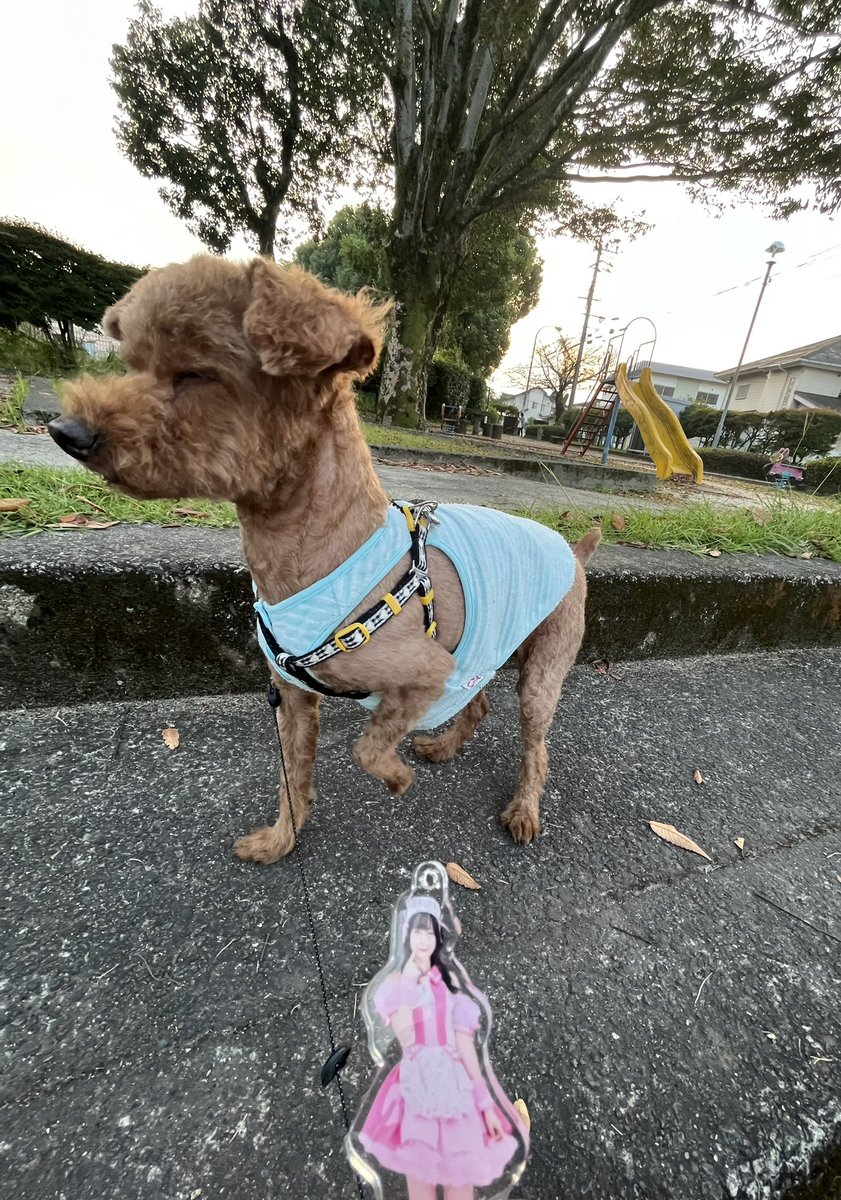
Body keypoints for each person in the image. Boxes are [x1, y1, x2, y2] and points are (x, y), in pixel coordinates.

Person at [359, 897, 519, 1199]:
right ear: (407, 936)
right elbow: (405, 1037)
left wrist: (487, 1107)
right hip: (416, 1086)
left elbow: (465, 1046)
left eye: (430, 933)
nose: (423, 940)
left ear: (438, 937)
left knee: (462, 1178)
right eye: (417, 932)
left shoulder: (450, 984)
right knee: (420, 1177)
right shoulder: (398, 984)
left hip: (455, 1087)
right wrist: (408, 978)